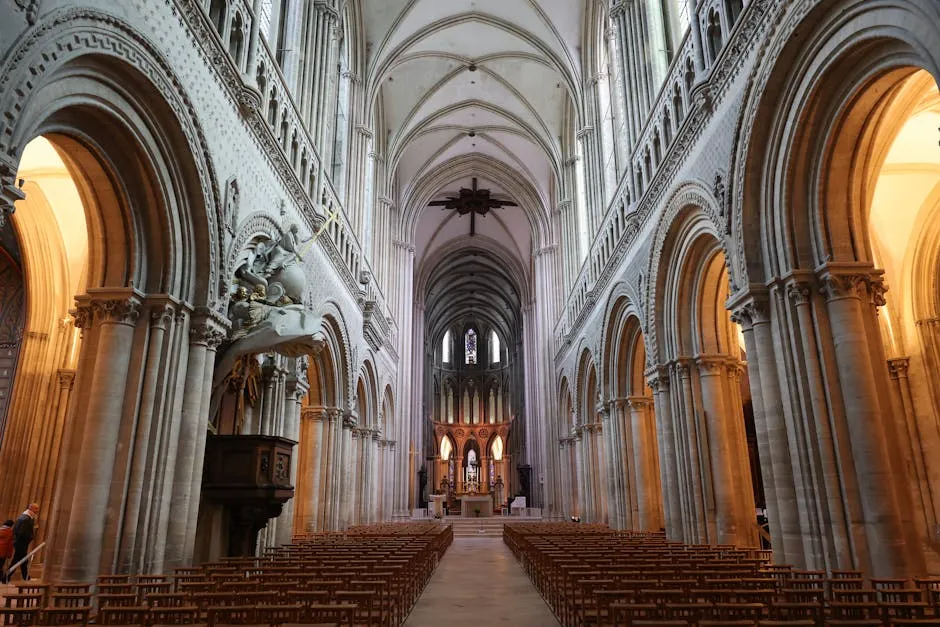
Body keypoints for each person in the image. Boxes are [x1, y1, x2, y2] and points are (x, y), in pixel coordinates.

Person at [11, 503, 38, 582]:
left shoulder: (28, 518)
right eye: (36, 509)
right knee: (17, 561)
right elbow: (21, 532)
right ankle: (6, 577)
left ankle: (26, 577)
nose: (37, 511)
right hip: (21, 543)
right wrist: (30, 537)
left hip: (21, 543)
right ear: (31, 509)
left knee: (23, 561)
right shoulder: (25, 518)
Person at [0, 520, 13, 584]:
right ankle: (2, 579)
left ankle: (2, 578)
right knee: (1, 565)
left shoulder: (0, 529)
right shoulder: (9, 532)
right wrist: (9, 554)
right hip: (3, 552)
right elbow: (10, 545)